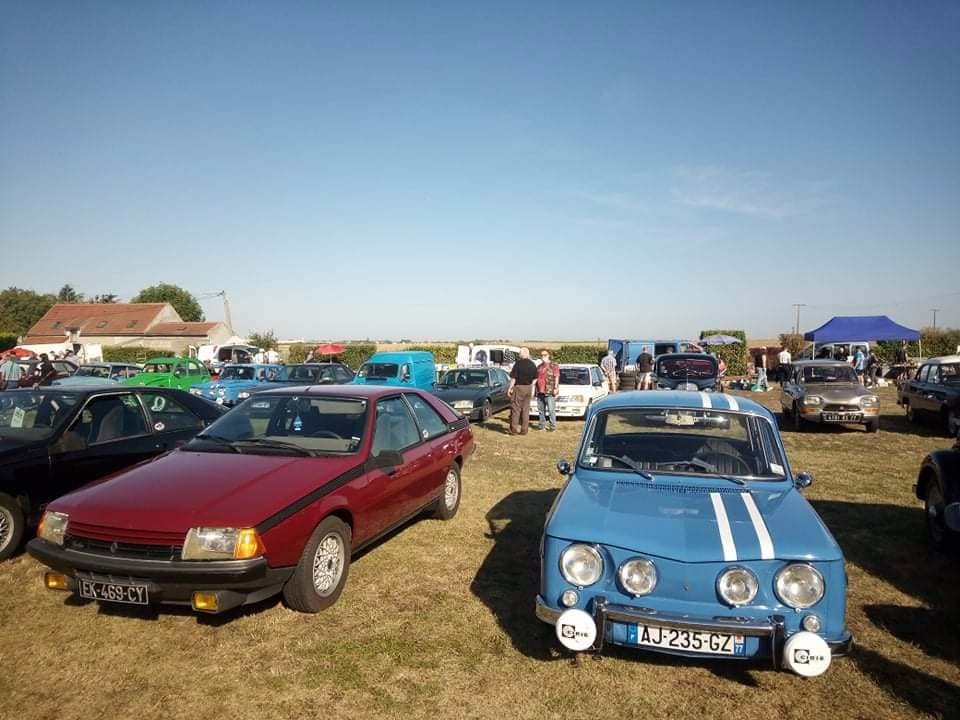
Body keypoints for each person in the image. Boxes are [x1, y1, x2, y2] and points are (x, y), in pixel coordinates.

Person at [507, 348, 537, 435]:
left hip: (519, 387)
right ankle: (524, 429)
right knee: (526, 409)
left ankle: (513, 429)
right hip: (529, 388)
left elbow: (514, 378)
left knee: (516, 409)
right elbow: (535, 378)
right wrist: (531, 385)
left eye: (519, 353)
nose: (519, 355)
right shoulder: (532, 364)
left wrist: (510, 388)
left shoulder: (518, 364)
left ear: (523, 354)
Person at [535, 351, 560, 431]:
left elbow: (556, 377)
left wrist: (556, 388)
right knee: (541, 410)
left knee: (551, 410)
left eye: (545, 355)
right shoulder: (539, 366)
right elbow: (536, 377)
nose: (543, 356)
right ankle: (541, 425)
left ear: (548, 355)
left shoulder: (554, 365)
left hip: (549, 391)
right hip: (539, 391)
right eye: (541, 355)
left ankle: (552, 427)